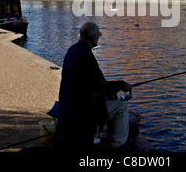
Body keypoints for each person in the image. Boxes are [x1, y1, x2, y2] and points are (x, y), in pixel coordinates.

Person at [56, 22, 132, 152]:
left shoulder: (72, 50)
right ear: (94, 37)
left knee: (108, 97)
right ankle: (117, 144)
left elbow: (93, 83)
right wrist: (122, 84)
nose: (99, 37)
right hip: (81, 111)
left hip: (66, 104)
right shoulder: (87, 56)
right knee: (121, 107)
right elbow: (101, 86)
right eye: (99, 35)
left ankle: (103, 133)